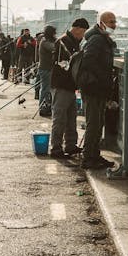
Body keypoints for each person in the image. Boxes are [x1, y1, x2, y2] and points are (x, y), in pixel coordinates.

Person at [78, 12, 117, 169]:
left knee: (98, 123)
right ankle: (88, 158)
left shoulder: (102, 39)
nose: (114, 24)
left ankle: (95, 155)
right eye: (111, 21)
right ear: (102, 23)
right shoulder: (96, 39)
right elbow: (89, 61)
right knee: (93, 124)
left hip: (98, 88)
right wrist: (102, 77)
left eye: (115, 21)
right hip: (93, 87)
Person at [49, 18, 89, 158]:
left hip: (70, 86)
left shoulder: (74, 42)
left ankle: (70, 145)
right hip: (61, 85)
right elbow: (64, 64)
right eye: (83, 32)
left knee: (71, 118)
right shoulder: (63, 42)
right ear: (77, 28)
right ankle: (56, 148)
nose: (83, 35)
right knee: (59, 118)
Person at [37, 25, 57, 117]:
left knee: (47, 89)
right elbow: (54, 47)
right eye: (54, 33)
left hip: (48, 68)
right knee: (45, 89)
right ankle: (42, 107)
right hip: (45, 69)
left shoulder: (46, 40)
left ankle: (47, 106)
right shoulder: (45, 41)